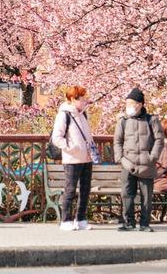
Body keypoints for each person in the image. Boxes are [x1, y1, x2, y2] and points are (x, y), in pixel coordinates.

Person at [114, 87, 164, 232]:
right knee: (127, 193)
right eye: (127, 103)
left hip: (146, 163)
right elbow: (117, 142)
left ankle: (144, 223)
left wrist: (152, 157)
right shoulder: (123, 122)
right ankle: (129, 222)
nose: (128, 107)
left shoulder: (152, 120)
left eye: (131, 103)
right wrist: (121, 159)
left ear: (140, 104)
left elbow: (159, 140)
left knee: (146, 196)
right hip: (128, 163)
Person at [51, 86, 96, 231]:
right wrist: (71, 147)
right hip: (72, 159)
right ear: (72, 99)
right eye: (82, 99)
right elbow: (56, 138)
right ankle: (66, 219)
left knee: (85, 190)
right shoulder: (64, 115)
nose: (84, 102)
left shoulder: (83, 115)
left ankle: (81, 218)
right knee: (70, 190)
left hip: (86, 158)